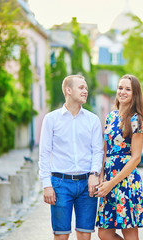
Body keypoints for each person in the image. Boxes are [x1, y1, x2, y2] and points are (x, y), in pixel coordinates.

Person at [39, 75, 104, 240]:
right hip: (60, 184)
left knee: (84, 234)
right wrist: (47, 185)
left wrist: (94, 175)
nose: (85, 91)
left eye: (86, 88)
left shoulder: (93, 120)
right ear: (68, 90)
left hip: (86, 185)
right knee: (61, 235)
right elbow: (44, 153)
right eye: (81, 87)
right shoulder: (51, 119)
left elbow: (98, 151)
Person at [95, 74, 143, 240]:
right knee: (104, 233)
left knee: (129, 232)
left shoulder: (136, 119)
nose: (122, 92)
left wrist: (112, 182)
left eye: (128, 89)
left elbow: (136, 157)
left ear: (135, 94)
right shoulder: (111, 116)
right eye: (120, 88)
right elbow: (105, 150)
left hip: (125, 181)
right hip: (108, 179)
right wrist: (102, 177)